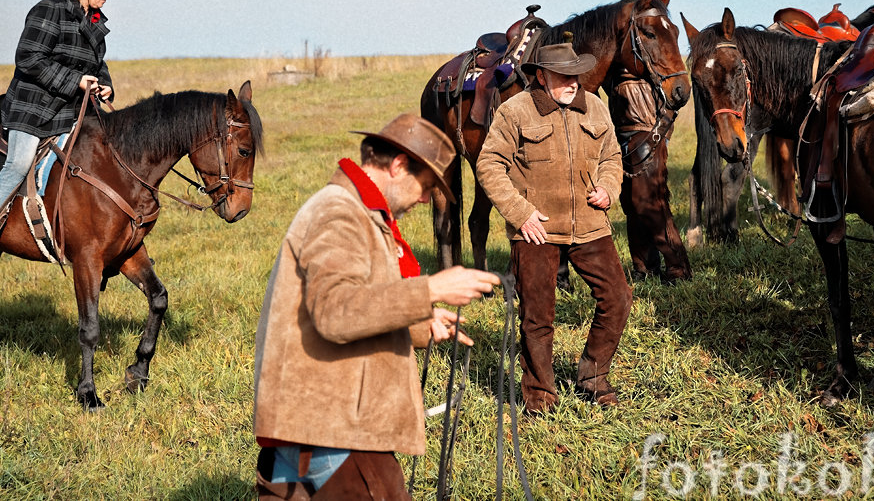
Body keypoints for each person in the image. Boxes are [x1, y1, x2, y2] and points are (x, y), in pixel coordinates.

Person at [253, 113, 499, 500]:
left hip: (309, 427)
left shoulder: (357, 211)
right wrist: (430, 288)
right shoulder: (340, 212)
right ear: (399, 165)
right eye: (425, 185)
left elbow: (359, 300)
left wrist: (422, 322)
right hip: (337, 428)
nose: (423, 198)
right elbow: (335, 311)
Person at [476, 42, 633, 416]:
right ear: (542, 76)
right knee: (537, 314)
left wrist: (609, 188)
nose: (573, 83)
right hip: (537, 228)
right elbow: (489, 164)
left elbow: (612, 155)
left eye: (577, 75)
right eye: (564, 76)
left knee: (618, 299)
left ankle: (593, 377)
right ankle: (540, 396)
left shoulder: (595, 105)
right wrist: (520, 212)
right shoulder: (516, 111)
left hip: (592, 225)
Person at [0, 0, 125, 270]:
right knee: (19, 164)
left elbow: (97, 64)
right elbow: (28, 57)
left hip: (74, 110)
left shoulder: (95, 19)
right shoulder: (49, 9)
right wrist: (74, 80)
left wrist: (105, 86)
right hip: (33, 108)